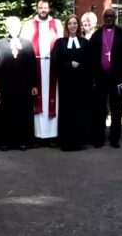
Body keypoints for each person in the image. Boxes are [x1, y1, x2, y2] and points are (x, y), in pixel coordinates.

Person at [21, 0, 63, 145]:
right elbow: (25, 46)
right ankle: (38, 135)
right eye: (40, 7)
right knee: (37, 99)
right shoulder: (28, 25)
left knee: (53, 99)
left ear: (49, 9)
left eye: (45, 7)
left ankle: (52, 135)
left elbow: (61, 44)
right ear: (37, 8)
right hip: (35, 65)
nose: (43, 10)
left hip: (52, 66)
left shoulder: (57, 24)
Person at [89, 8, 122, 149]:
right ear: (103, 17)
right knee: (99, 109)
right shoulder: (96, 36)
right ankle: (99, 138)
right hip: (100, 78)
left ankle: (114, 138)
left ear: (115, 18)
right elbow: (92, 59)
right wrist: (93, 77)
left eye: (112, 16)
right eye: (107, 16)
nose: (109, 18)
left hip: (118, 78)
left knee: (116, 109)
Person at [0, 17, 37, 151]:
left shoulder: (27, 44)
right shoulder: (0, 43)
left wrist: (34, 85)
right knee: (6, 114)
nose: (14, 29)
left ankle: (22, 141)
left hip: (23, 85)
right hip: (5, 86)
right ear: (7, 28)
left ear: (20, 28)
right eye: (11, 27)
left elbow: (32, 66)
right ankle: (5, 142)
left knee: (22, 114)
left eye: (16, 26)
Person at [51, 15, 92, 151]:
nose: (73, 26)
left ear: (78, 26)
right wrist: (69, 64)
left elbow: (90, 60)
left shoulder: (85, 42)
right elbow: (55, 61)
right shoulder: (60, 42)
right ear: (66, 26)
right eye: (70, 24)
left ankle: (79, 141)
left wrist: (82, 66)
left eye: (75, 23)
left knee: (80, 110)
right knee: (67, 111)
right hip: (66, 82)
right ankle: (66, 142)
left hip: (81, 82)